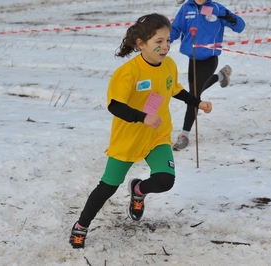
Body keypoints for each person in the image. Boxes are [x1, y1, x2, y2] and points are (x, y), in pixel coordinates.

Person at [69, 13, 213, 249]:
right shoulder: (129, 72)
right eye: (158, 42)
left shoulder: (169, 65)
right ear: (141, 44)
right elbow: (115, 105)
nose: (165, 46)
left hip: (158, 134)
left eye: (168, 40)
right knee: (108, 187)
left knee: (166, 180)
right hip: (129, 137)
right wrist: (143, 117)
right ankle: (81, 225)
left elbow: (173, 88)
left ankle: (138, 190)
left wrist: (197, 102)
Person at [170, 0, 245, 150]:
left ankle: (184, 135)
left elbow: (240, 27)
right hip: (193, 59)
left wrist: (227, 16)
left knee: (194, 95)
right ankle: (221, 76)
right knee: (195, 92)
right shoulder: (186, 8)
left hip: (210, 59)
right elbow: (176, 29)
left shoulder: (216, 8)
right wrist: (163, 42)